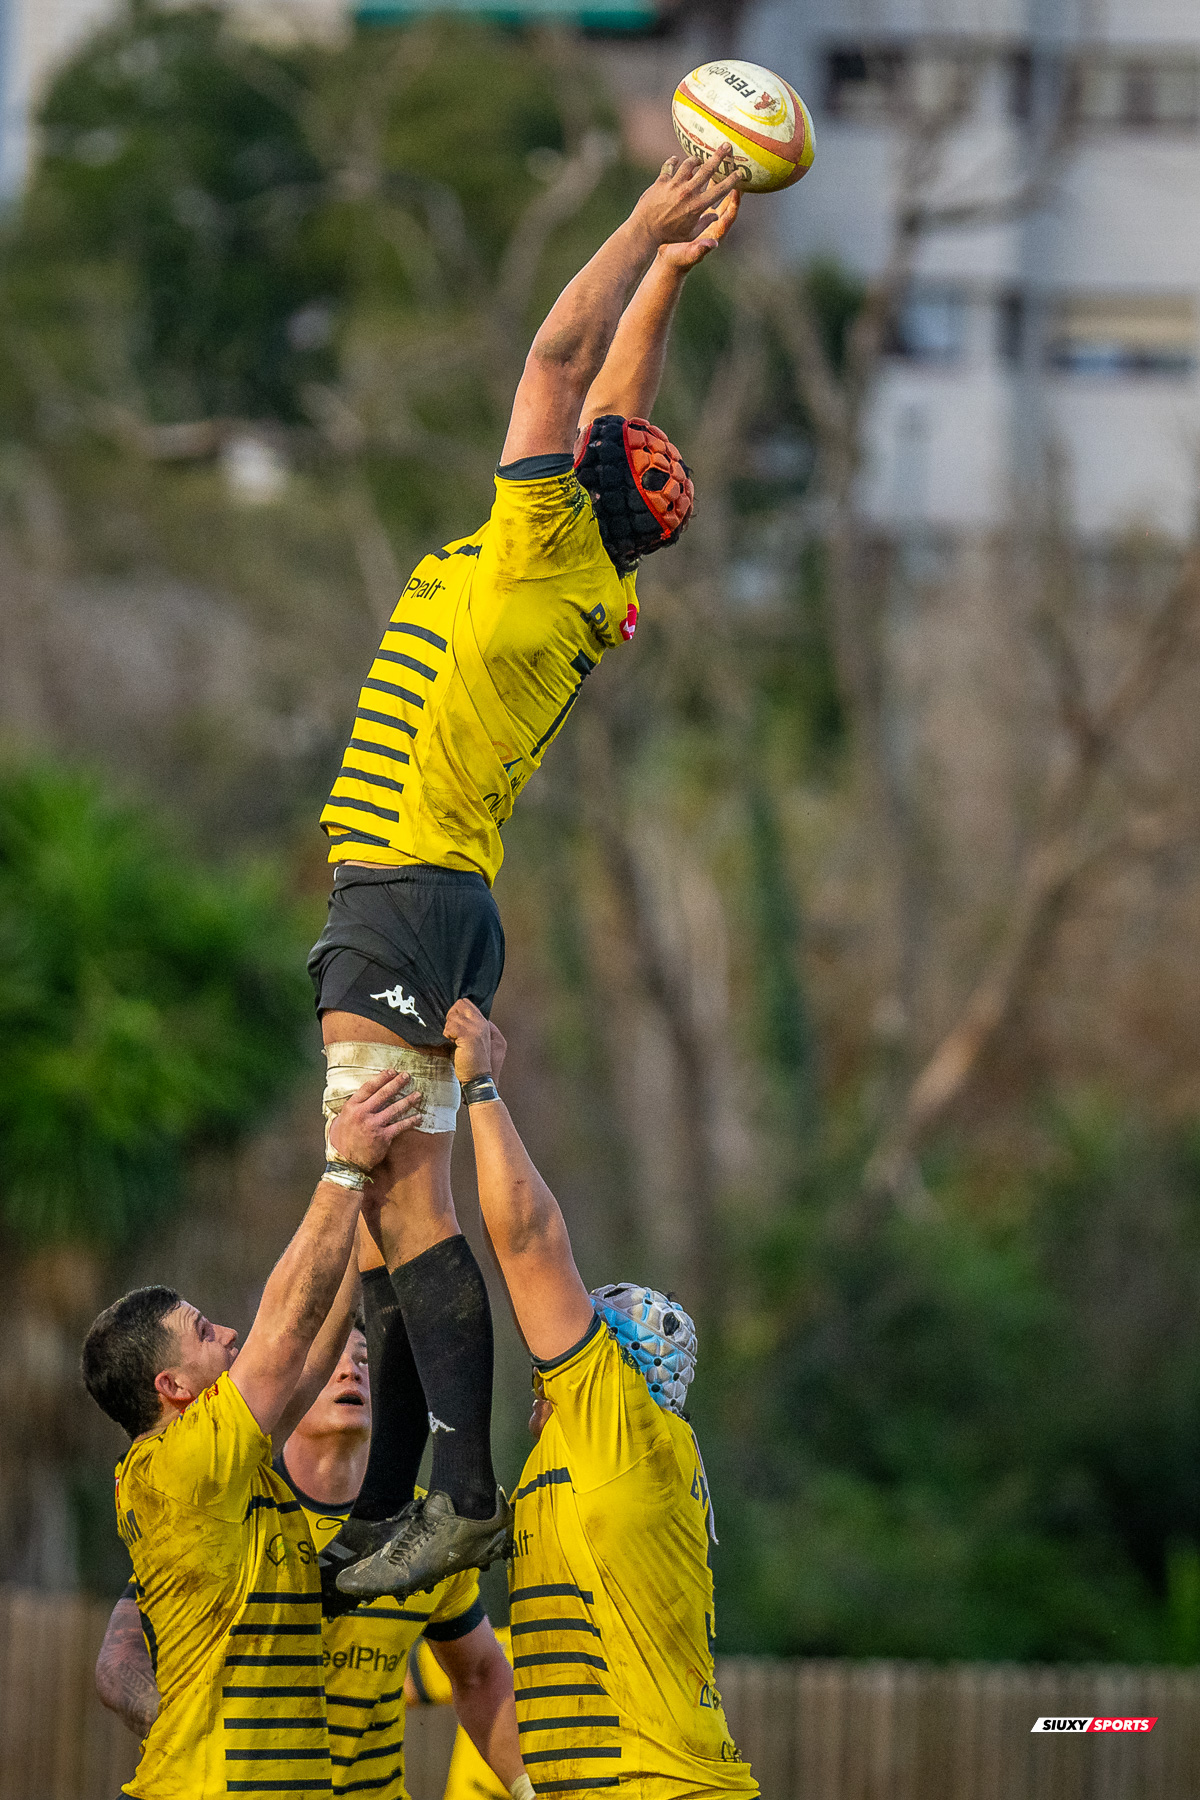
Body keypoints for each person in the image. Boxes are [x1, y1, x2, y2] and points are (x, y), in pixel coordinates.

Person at [311, 143, 744, 1603]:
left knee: (400, 1197)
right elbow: (617, 395)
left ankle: (460, 1494)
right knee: (384, 1202)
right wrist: (676, 270)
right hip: (436, 896)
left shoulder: (541, 531)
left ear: (581, 490)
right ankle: (389, 1501)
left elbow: (565, 360)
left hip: (406, 888)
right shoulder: (595, 569)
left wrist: (636, 223)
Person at [342, 1001, 759, 1797]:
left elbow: (530, 1242)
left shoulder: (621, 1428)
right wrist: (375, 1177)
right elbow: (401, 1295)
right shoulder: (588, 1456)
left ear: (622, 1364)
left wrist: (482, 1088)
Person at [80, 1067, 418, 1798]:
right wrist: (341, 1167)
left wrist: (361, 1205)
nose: (227, 1334)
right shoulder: (177, 1465)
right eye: (204, 1332)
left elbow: (314, 1347)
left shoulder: (230, 1463)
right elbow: (284, 1330)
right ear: (170, 1388)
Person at [96, 1315, 529, 1800]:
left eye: (364, 1360)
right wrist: (199, 1729)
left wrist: (528, 1790)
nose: (352, 1372)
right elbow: (118, 1661)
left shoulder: (427, 1526)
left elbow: (480, 1674)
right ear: (285, 1382)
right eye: (330, 1363)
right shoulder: (230, 1508)